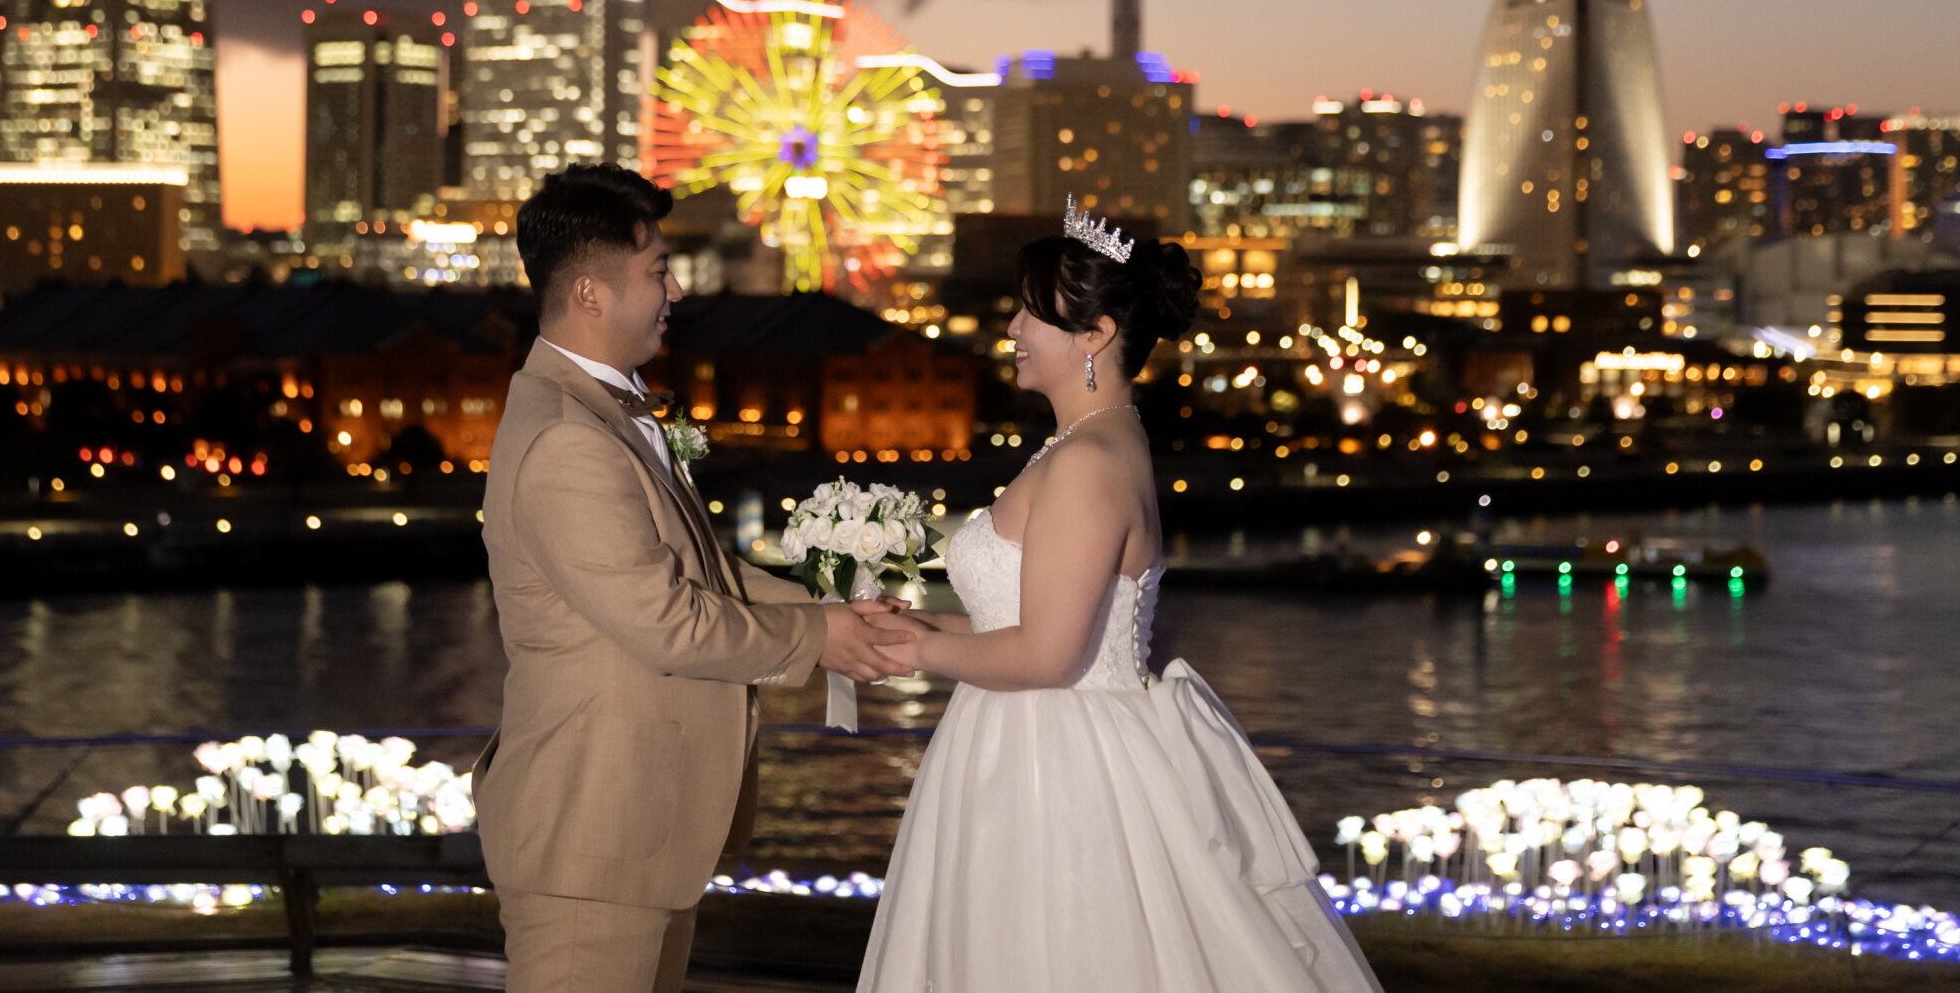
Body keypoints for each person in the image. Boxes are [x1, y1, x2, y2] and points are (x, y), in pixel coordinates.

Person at [859, 202, 1385, 992]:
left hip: (1055, 758)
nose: (1012, 328)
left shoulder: (1087, 461)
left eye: (1031, 312)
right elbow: (1021, 618)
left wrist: (915, 650)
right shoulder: (1088, 443)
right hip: (1023, 736)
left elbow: (1047, 654)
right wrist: (916, 621)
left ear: (1095, 334)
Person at [475, 163, 897, 993]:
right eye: (658, 270)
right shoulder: (567, 437)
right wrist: (821, 636)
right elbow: (665, 618)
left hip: (635, 831)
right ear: (590, 292)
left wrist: (834, 613)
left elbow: (701, 569)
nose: (676, 290)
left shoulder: (607, 410)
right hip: (591, 835)